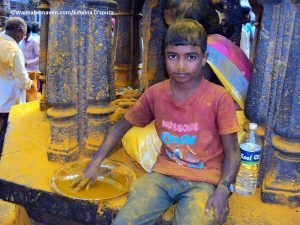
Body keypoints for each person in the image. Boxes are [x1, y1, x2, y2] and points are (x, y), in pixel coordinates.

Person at [73, 19, 240, 225]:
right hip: (162, 176)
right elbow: (120, 127)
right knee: (124, 221)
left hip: (204, 180)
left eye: (190, 57)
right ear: (164, 57)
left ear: (204, 59)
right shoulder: (155, 94)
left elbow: (233, 151)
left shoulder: (219, 97)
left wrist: (224, 189)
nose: (180, 65)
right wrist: (94, 163)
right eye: (172, 56)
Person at [0, 17, 33, 155]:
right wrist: (31, 83)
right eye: (23, 35)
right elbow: (22, 80)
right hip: (8, 102)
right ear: (19, 31)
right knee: (5, 139)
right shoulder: (13, 49)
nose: (22, 39)